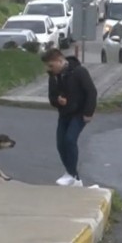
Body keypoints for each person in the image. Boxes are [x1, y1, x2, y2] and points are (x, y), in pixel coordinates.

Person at [41, 48, 98, 187]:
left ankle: (71, 174)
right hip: (64, 113)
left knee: (70, 139)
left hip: (79, 113)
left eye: (51, 65)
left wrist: (88, 113)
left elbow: (91, 92)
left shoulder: (79, 72)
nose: (49, 69)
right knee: (61, 144)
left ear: (60, 61)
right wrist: (57, 100)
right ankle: (75, 178)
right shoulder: (53, 77)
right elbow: (52, 97)